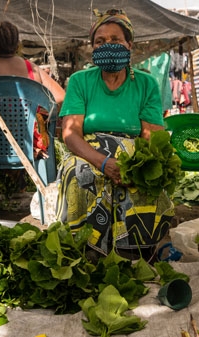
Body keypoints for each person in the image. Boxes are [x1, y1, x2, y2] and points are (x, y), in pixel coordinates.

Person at [55, 9, 174, 261]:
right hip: (89, 154)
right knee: (79, 175)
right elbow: (71, 133)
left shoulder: (146, 84)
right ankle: (84, 253)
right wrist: (103, 162)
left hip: (131, 157)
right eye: (100, 41)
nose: (107, 45)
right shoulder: (80, 81)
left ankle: (135, 253)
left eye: (115, 40)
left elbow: (152, 135)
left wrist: (134, 168)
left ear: (129, 45)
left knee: (147, 183)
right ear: (92, 48)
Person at [0, 20, 65, 214]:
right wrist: (46, 119)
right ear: (18, 45)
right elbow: (61, 98)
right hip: (32, 145)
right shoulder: (32, 69)